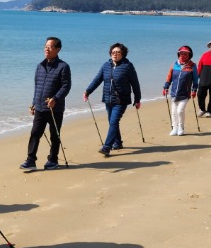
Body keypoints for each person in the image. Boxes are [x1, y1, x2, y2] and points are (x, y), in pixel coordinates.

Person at [21, 37, 71, 171]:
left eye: (50, 46)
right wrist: (33, 104)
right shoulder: (40, 66)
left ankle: (53, 160)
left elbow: (66, 86)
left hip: (55, 108)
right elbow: (37, 87)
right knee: (35, 133)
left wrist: (55, 98)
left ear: (58, 49)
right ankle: (31, 160)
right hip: (40, 107)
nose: (46, 49)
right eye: (45, 46)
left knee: (54, 135)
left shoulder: (63, 66)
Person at [83, 42, 142, 156]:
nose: (115, 54)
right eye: (113, 52)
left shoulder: (128, 66)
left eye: (118, 52)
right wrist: (88, 91)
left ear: (123, 54)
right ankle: (118, 142)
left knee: (114, 122)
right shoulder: (106, 65)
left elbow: (135, 83)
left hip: (121, 100)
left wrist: (137, 99)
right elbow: (97, 79)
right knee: (112, 122)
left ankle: (107, 146)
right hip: (108, 99)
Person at [163, 46, 199, 136]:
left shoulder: (192, 66)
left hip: (185, 94)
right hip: (174, 93)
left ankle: (181, 128)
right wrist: (166, 87)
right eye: (181, 53)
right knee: (173, 112)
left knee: (180, 111)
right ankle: (174, 128)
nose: (183, 55)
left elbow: (195, 80)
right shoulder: (175, 64)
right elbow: (169, 77)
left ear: (189, 55)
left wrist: (194, 90)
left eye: (185, 53)